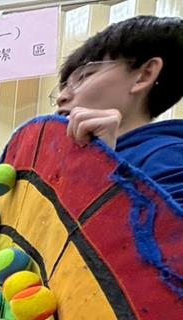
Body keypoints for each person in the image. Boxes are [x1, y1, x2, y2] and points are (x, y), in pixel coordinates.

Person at [54, 15, 183, 205]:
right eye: (62, 87)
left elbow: (168, 224)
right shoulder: (61, 162)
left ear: (145, 75)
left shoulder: (168, 155)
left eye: (84, 76)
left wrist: (102, 165)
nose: (61, 97)